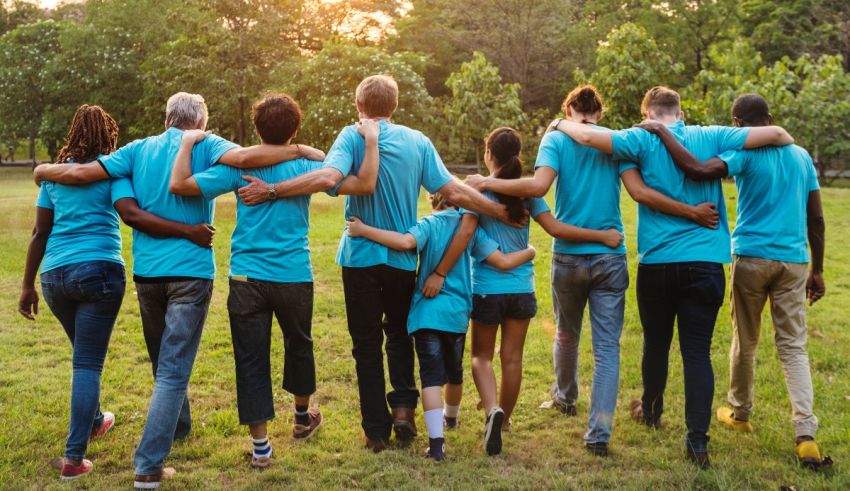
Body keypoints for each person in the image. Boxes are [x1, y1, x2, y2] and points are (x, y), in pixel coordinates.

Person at [33, 92, 324, 489]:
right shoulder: (208, 144)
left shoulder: (136, 150)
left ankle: (180, 425)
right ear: (201, 122)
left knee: (161, 362)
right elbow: (246, 159)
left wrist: (43, 171)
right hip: (190, 270)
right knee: (172, 371)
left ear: (167, 117)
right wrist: (301, 149)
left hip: (147, 274)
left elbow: (83, 176)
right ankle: (148, 465)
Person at [236, 75, 521, 452]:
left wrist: (271, 190)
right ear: (395, 106)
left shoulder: (353, 136)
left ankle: (375, 430)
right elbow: (451, 190)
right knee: (400, 336)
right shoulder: (417, 141)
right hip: (402, 257)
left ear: (359, 105)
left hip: (360, 257)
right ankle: (403, 409)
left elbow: (326, 177)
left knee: (366, 345)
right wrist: (499, 211)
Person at [464, 87, 723, 457]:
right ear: (599, 114)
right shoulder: (614, 142)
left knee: (566, 334)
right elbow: (637, 191)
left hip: (568, 256)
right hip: (610, 255)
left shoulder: (555, 139)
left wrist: (486, 183)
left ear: (568, 109)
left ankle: (566, 397)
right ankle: (599, 433)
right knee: (606, 348)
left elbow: (538, 187)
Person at [551, 86, 794, 468]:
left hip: (659, 263)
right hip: (706, 264)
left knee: (656, 344)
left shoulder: (639, 138)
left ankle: (651, 409)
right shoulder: (712, 135)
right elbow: (779, 134)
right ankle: (697, 441)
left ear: (647, 114)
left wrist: (558, 122)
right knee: (696, 352)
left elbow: (585, 135)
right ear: (680, 114)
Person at [168, 93, 381, 468]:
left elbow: (183, 185)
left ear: (256, 128)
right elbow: (355, 182)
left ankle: (261, 447)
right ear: (295, 128)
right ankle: (302, 418)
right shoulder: (306, 164)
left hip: (247, 276)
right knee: (299, 345)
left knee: (251, 358)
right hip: (294, 274)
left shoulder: (238, 167)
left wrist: (187, 146)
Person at [19, 105, 219, 482]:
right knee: (87, 363)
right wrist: (188, 229)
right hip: (100, 273)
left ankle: (96, 420)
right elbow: (131, 214)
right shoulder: (116, 169)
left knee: (84, 356)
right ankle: (73, 458)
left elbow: (39, 232)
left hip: (55, 278)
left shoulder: (55, 177)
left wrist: (28, 284)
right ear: (107, 135)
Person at [635, 93, 829, 470]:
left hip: (752, 256)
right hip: (794, 262)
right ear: (769, 117)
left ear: (737, 124)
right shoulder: (801, 156)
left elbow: (698, 169)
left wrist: (661, 130)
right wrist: (817, 269)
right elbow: (817, 218)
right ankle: (805, 434)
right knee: (793, 347)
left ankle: (740, 413)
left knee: (746, 338)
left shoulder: (744, 155)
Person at [346, 192, 536, 461]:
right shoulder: (471, 229)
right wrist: (530, 251)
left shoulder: (428, 224)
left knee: (431, 379)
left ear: (434, 201)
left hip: (426, 315)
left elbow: (403, 242)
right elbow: (502, 261)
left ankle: (437, 445)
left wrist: (363, 229)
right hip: (456, 316)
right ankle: (451, 418)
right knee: (454, 374)